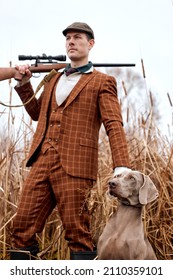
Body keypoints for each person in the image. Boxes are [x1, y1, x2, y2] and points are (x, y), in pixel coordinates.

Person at [10, 22, 131, 260]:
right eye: (68, 38)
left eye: (77, 37)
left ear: (91, 44)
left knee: (77, 233)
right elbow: (37, 113)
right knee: (22, 227)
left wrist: (122, 165)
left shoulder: (102, 81)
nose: (71, 41)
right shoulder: (53, 79)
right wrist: (24, 84)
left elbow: (113, 124)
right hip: (42, 161)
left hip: (76, 166)